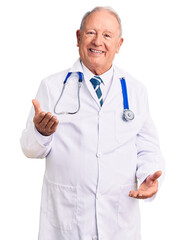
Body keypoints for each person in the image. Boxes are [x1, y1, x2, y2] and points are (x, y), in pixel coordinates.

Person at [20, 6, 165, 240]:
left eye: (107, 35)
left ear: (119, 44)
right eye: (90, 33)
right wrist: (40, 133)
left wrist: (149, 176)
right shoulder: (53, 87)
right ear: (78, 38)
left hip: (119, 226)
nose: (98, 41)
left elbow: (147, 147)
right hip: (65, 225)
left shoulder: (135, 91)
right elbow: (29, 149)